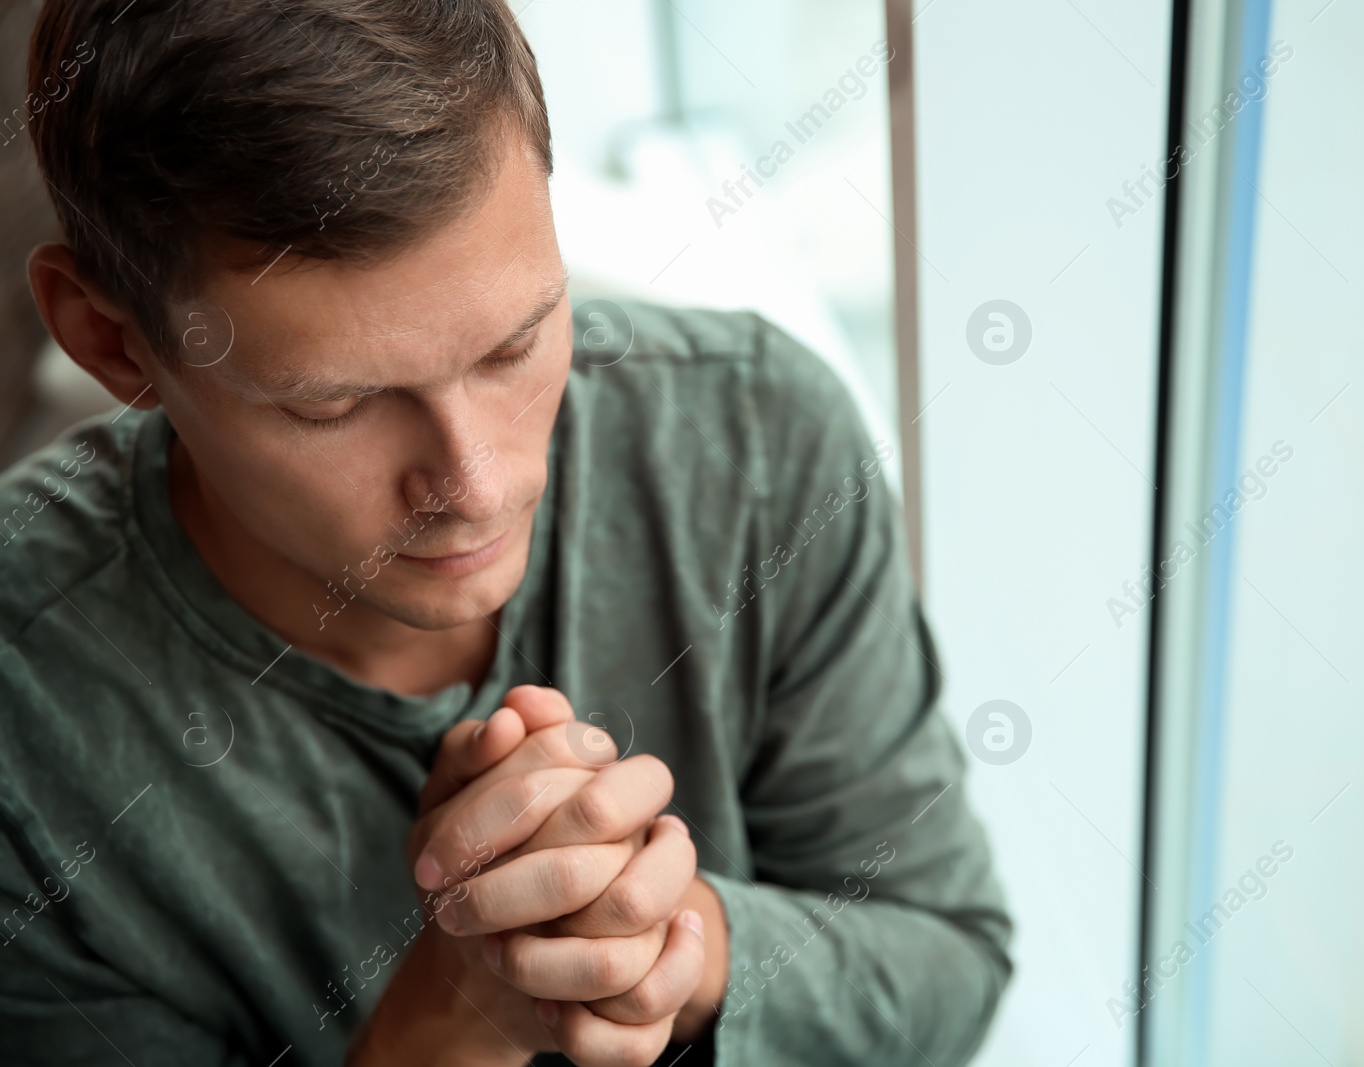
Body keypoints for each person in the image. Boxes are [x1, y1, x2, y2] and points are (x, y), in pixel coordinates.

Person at [0, 1, 1012, 1064]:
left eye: (514, 344)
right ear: (109, 341)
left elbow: (950, 961)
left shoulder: (756, 437)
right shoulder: (29, 719)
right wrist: (462, 1010)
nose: (479, 485)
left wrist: (671, 936)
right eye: (332, 406)